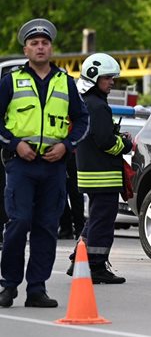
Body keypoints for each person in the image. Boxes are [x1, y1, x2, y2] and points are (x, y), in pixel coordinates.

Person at [0, 18, 89, 308]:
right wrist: (15, 144)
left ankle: (37, 288)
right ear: (25, 50)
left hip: (53, 167)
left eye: (45, 43)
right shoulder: (11, 80)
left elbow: (83, 120)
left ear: (51, 48)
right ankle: (8, 285)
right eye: (34, 43)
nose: (40, 47)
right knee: (19, 221)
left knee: (46, 227)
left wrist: (66, 145)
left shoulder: (65, 82)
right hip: (21, 165)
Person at [65, 53, 131, 284]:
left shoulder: (86, 103)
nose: (112, 82)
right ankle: (96, 266)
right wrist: (126, 143)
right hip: (103, 175)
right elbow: (105, 142)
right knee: (102, 223)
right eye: (108, 78)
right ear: (94, 78)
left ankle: (80, 260)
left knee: (94, 219)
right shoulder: (98, 106)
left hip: (91, 174)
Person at [58, 152, 85, 240]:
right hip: (59, 157)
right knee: (60, 195)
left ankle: (78, 228)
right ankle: (66, 228)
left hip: (71, 156)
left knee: (75, 195)